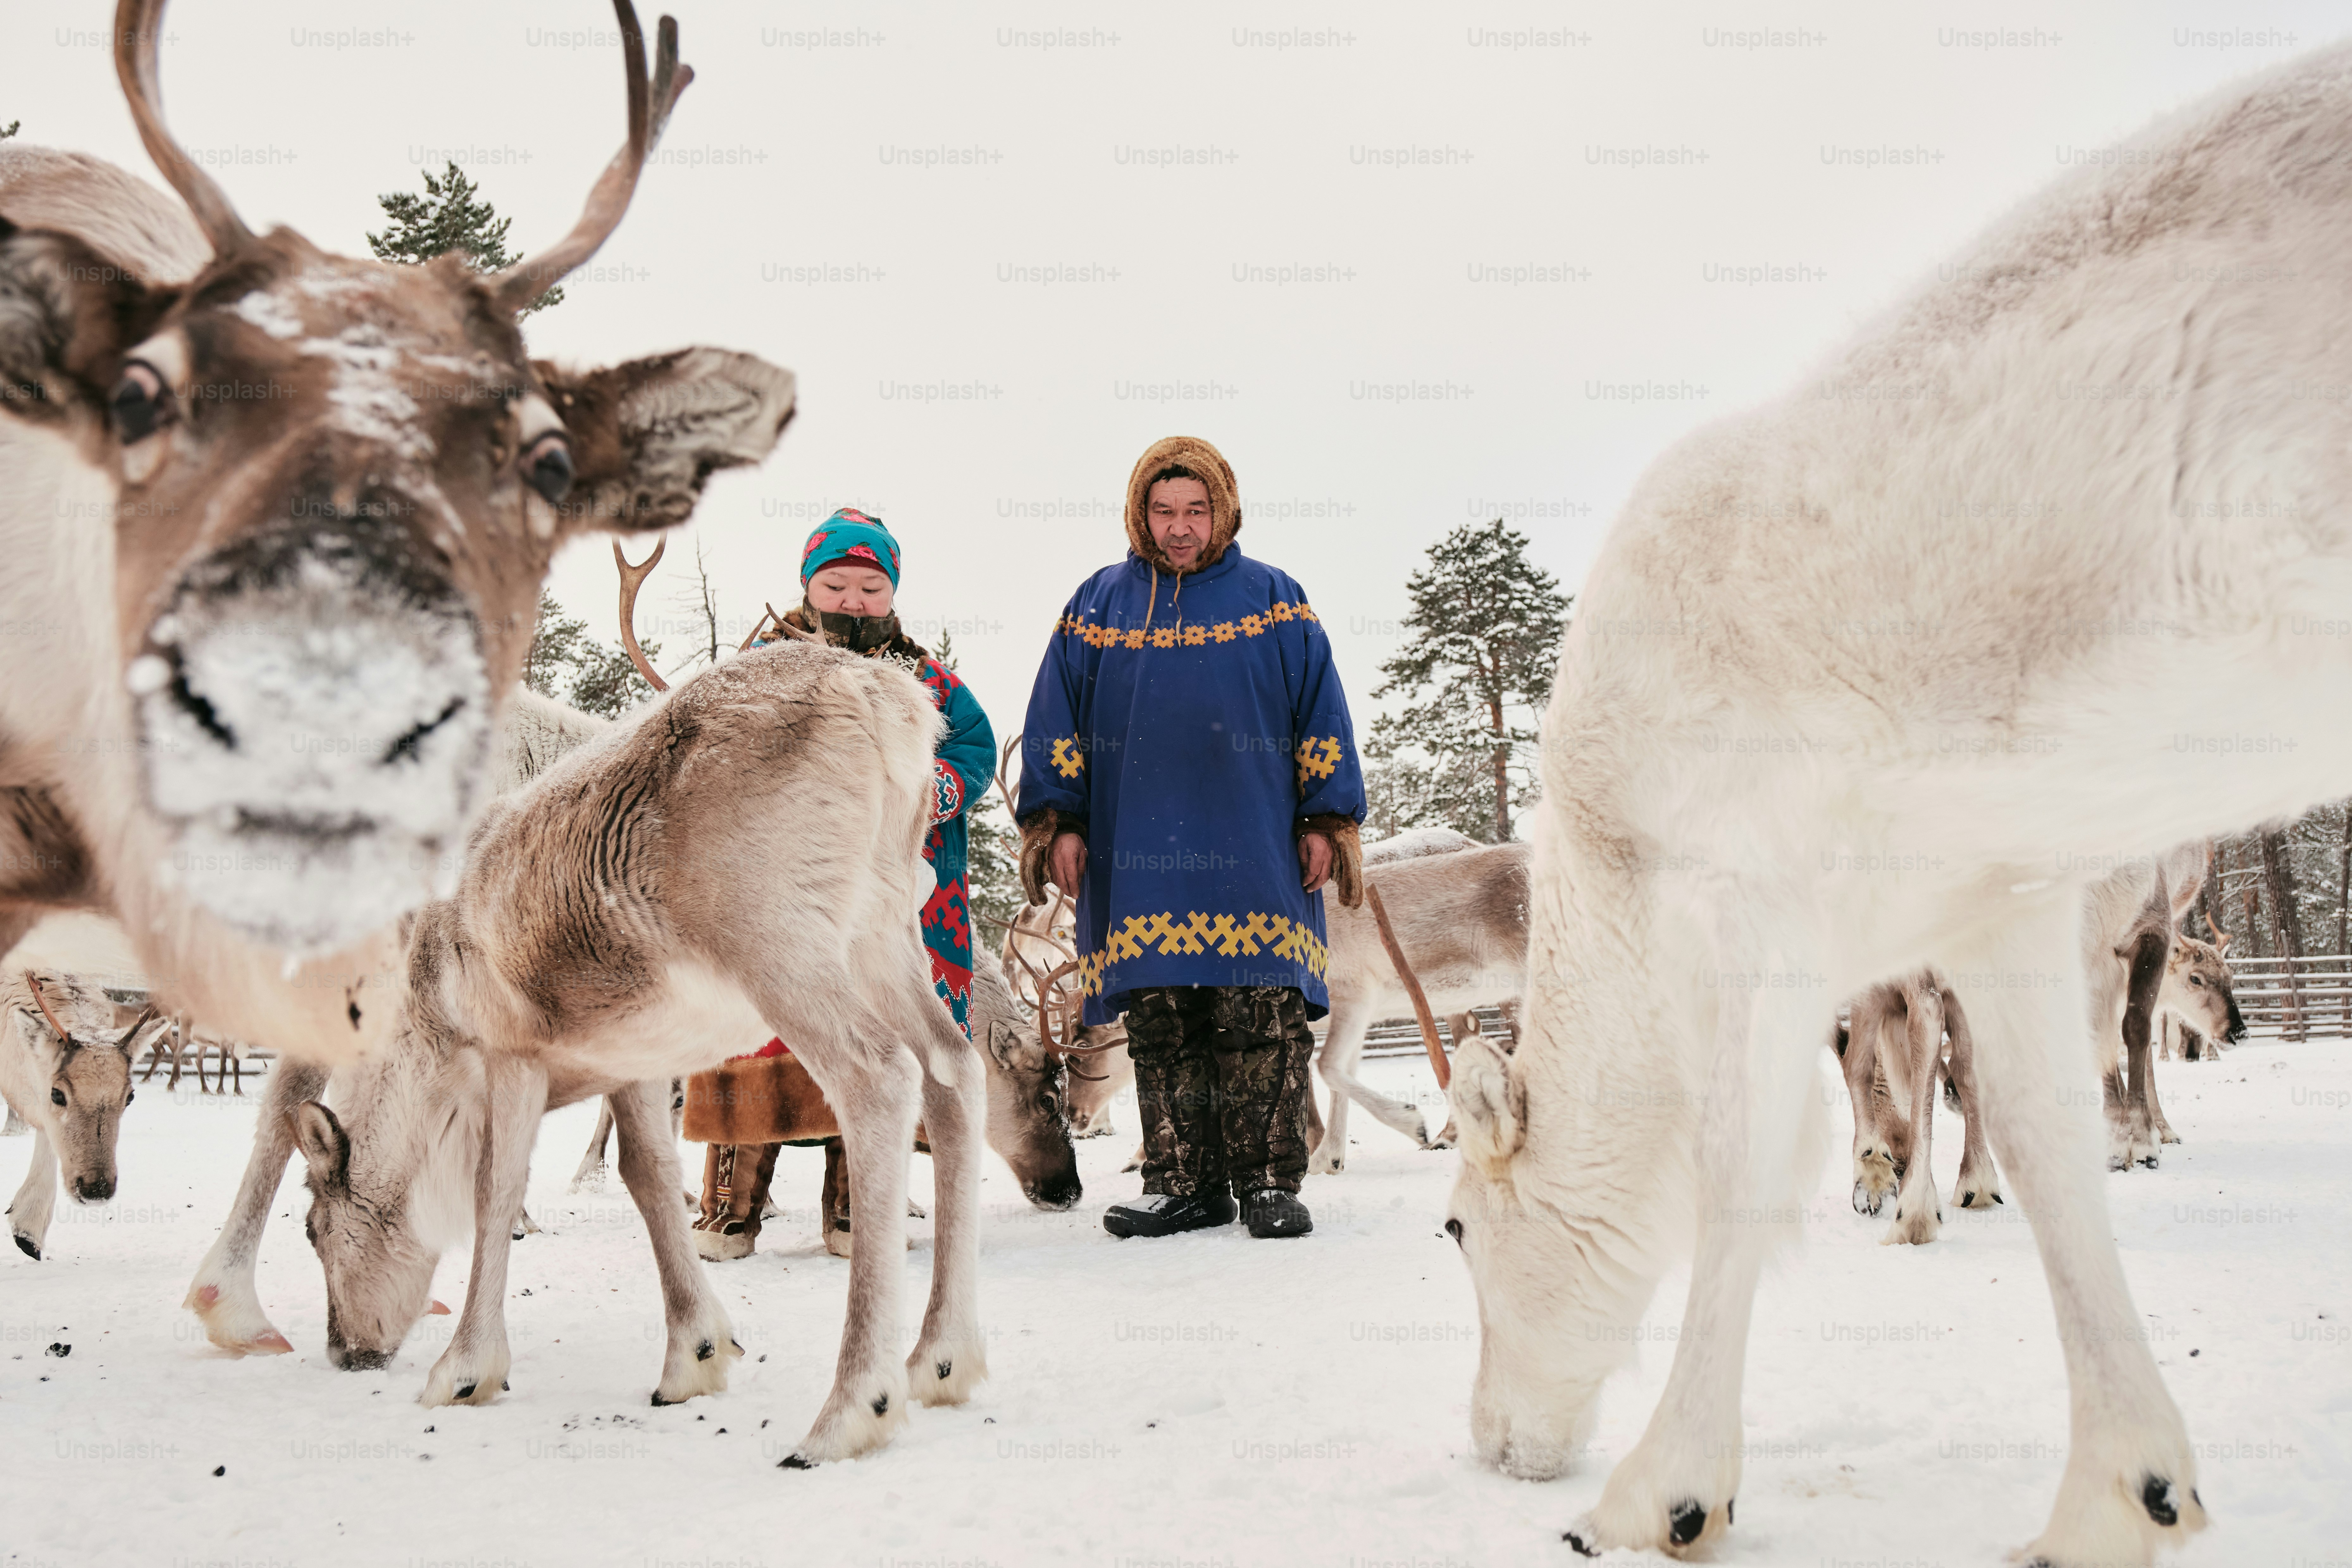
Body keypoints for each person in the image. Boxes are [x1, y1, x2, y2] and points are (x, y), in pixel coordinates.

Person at [1015, 436, 1365, 1240]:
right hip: (1135, 849)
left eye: (1195, 511)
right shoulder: (1097, 606)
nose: (1180, 527)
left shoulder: (1276, 600)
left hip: (1254, 842)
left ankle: (1270, 1183)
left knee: (1258, 1011)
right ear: (1141, 513)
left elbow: (1322, 713)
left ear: (1223, 510)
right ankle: (1183, 1183)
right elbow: (1055, 721)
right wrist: (1058, 820)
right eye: (1164, 511)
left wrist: (1325, 818)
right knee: (1162, 1016)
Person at [688, 508, 996, 1261]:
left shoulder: (931, 682)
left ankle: (862, 1206)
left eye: (869, 586)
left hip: (895, 893)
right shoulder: (760, 668)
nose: (853, 600)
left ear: (891, 593)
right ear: (807, 583)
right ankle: (732, 1207)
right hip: (782, 889)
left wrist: (932, 794)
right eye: (837, 584)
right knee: (758, 1026)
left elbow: (977, 750)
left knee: (885, 1031)